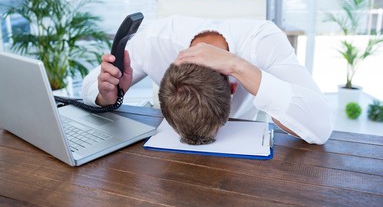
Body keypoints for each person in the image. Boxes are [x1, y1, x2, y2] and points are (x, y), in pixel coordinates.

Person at [82, 15, 333, 145]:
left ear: (234, 85)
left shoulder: (263, 41)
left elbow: (321, 127)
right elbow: (88, 84)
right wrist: (105, 95)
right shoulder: (154, 41)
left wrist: (239, 65)